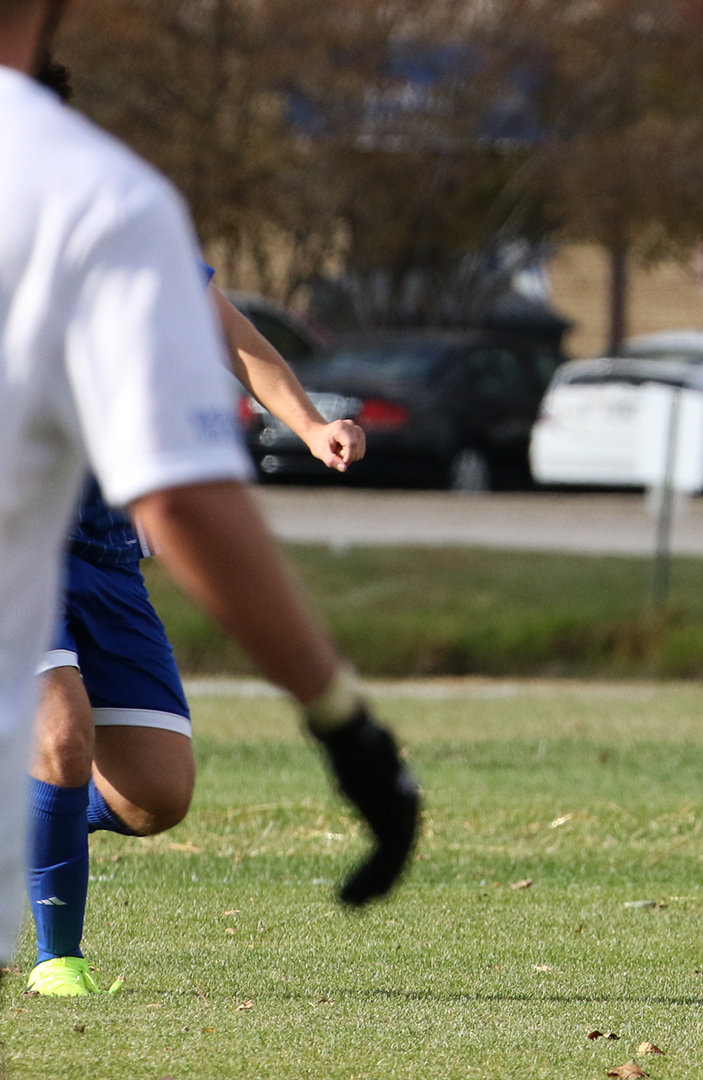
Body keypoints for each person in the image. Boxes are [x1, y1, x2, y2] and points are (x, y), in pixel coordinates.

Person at [0, 0, 418, 993]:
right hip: (23, 551)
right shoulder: (91, 188)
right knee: (60, 735)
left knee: (153, 793)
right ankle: (60, 959)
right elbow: (191, 502)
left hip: (94, 547)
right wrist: (341, 721)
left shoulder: (88, 192)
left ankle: (28, 817)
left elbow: (227, 336)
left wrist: (309, 422)